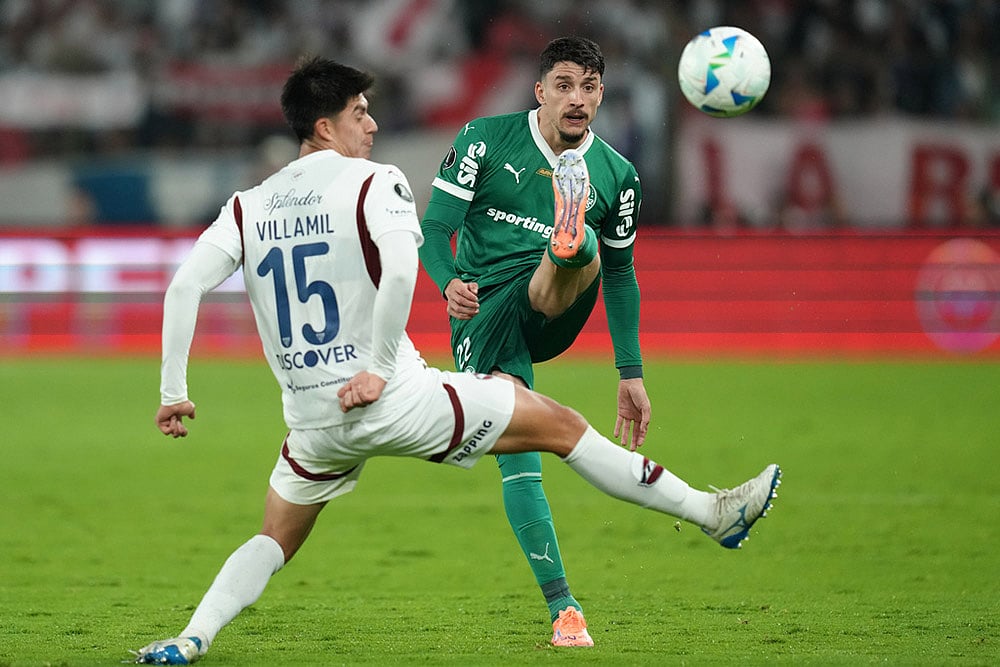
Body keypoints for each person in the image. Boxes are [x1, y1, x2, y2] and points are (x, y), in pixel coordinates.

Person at [132, 56, 781, 665]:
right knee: (561, 426)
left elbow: (183, 285)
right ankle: (712, 513)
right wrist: (378, 369)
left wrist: (172, 391)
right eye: (360, 112)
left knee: (274, 537)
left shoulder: (247, 205)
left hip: (314, 422)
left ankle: (192, 637)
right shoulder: (375, 181)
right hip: (396, 398)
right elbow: (401, 271)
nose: (372, 125)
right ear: (326, 126)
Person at [418, 36, 648, 644]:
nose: (577, 99)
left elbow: (622, 277)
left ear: (601, 95)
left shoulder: (619, 174)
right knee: (517, 448)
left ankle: (570, 240)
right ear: (540, 91)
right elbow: (434, 228)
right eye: (565, 86)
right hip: (484, 312)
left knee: (588, 253)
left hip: (556, 303)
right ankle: (564, 609)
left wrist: (630, 371)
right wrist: (449, 284)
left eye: (589, 88)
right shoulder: (484, 139)